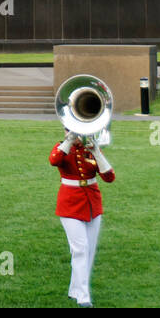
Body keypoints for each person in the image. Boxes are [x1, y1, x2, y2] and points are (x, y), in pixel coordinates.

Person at [50, 130, 115, 307]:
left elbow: (109, 177)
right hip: (70, 204)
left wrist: (96, 152)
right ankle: (83, 296)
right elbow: (54, 160)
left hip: (92, 203)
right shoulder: (62, 148)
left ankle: (75, 289)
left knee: (89, 250)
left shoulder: (91, 149)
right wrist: (68, 141)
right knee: (80, 249)